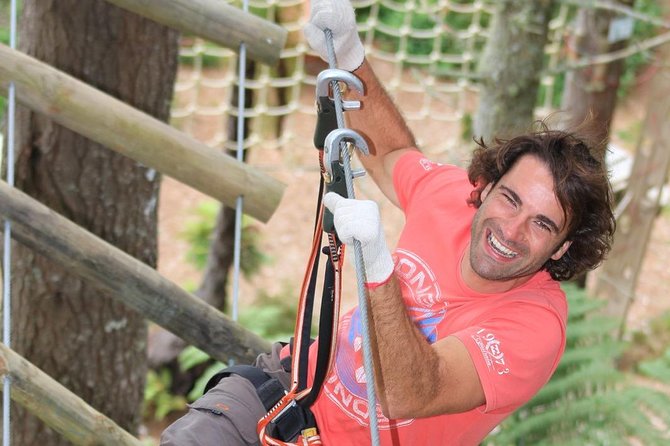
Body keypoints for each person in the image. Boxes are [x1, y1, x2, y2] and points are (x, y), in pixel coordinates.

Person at [160, 0, 616, 444]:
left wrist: (378, 272)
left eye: (542, 225)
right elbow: (393, 153)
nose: (511, 230)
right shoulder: (454, 198)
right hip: (285, 395)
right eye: (510, 199)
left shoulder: (536, 326)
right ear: (488, 187)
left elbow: (411, 393)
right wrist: (351, 55)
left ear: (562, 247)